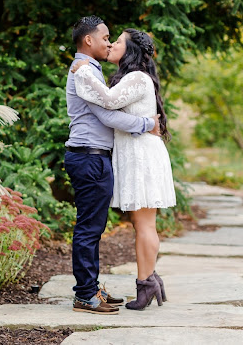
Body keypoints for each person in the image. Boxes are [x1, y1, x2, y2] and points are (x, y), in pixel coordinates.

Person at [71, 28, 176, 310]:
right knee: (142, 223)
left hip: (141, 155)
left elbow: (108, 102)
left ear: (129, 51)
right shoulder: (130, 78)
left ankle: (146, 283)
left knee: (143, 223)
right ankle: (150, 279)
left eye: (117, 41)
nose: (111, 44)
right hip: (135, 153)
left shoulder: (136, 78)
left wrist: (82, 71)